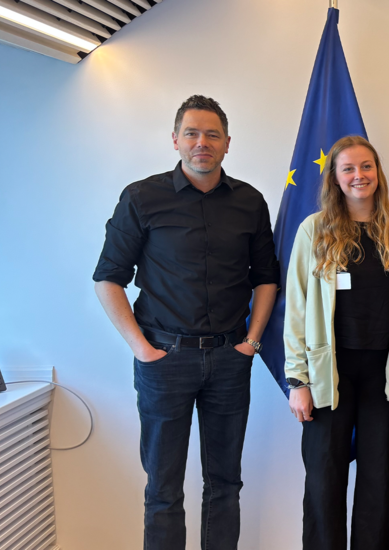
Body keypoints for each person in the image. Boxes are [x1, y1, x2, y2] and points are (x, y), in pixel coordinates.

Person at [93, 95, 279, 550]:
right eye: (192, 133)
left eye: (212, 134)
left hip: (230, 360)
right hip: (164, 361)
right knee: (163, 489)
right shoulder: (141, 197)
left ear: (228, 143)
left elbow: (266, 278)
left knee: (225, 484)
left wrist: (252, 342)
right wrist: (142, 349)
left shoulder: (250, 202)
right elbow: (108, 279)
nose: (202, 142)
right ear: (175, 139)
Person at [282, 136, 389, 550]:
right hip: (329, 374)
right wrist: (298, 380)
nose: (359, 175)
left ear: (378, 173)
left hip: (384, 374)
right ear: (335, 178)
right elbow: (296, 307)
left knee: (378, 478)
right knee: (324, 479)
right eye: (348, 168)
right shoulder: (314, 230)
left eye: (366, 166)